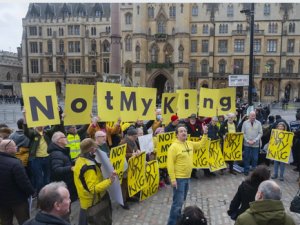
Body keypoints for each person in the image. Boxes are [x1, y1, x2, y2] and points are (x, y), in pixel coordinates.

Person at [167, 123, 208, 225]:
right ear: (177, 135)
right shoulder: (173, 147)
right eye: (181, 131)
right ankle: (172, 223)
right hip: (179, 179)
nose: (184, 133)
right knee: (177, 204)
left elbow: (201, 145)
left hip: (187, 178)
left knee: (181, 201)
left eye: (185, 131)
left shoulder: (189, 143)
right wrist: (173, 179)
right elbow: (170, 164)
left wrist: (205, 134)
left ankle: (178, 221)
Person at [73, 138, 117, 225]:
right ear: (91, 149)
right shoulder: (88, 167)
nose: (96, 150)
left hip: (86, 199)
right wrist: (109, 180)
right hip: (93, 201)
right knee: (99, 220)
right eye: (94, 148)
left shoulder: (80, 159)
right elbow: (93, 188)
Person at [0, 139, 35, 225]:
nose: (17, 148)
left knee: (5, 221)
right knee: (24, 221)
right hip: (18, 200)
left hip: (1, 200)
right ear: (7, 149)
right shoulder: (15, 163)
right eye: (15, 146)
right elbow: (24, 182)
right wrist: (32, 192)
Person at [48, 132, 77, 202]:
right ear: (59, 140)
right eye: (64, 137)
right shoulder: (56, 154)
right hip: (64, 185)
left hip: (67, 184)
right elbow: (56, 169)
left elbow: (65, 163)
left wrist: (74, 161)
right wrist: (71, 168)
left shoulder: (61, 151)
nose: (66, 138)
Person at [119, 127, 141, 209]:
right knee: (124, 184)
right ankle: (123, 201)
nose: (136, 138)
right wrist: (131, 155)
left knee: (130, 182)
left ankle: (128, 197)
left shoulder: (133, 140)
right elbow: (121, 154)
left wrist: (138, 151)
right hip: (125, 166)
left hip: (132, 165)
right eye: (135, 136)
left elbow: (135, 149)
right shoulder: (123, 142)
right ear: (130, 136)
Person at [241, 111, 263, 176]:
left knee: (255, 158)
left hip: (255, 144)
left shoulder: (258, 123)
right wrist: (247, 140)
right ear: (249, 116)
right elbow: (243, 133)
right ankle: (246, 170)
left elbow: (260, 133)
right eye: (252, 116)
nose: (253, 117)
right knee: (247, 157)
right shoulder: (245, 123)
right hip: (247, 144)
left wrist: (255, 140)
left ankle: (254, 171)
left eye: (254, 116)